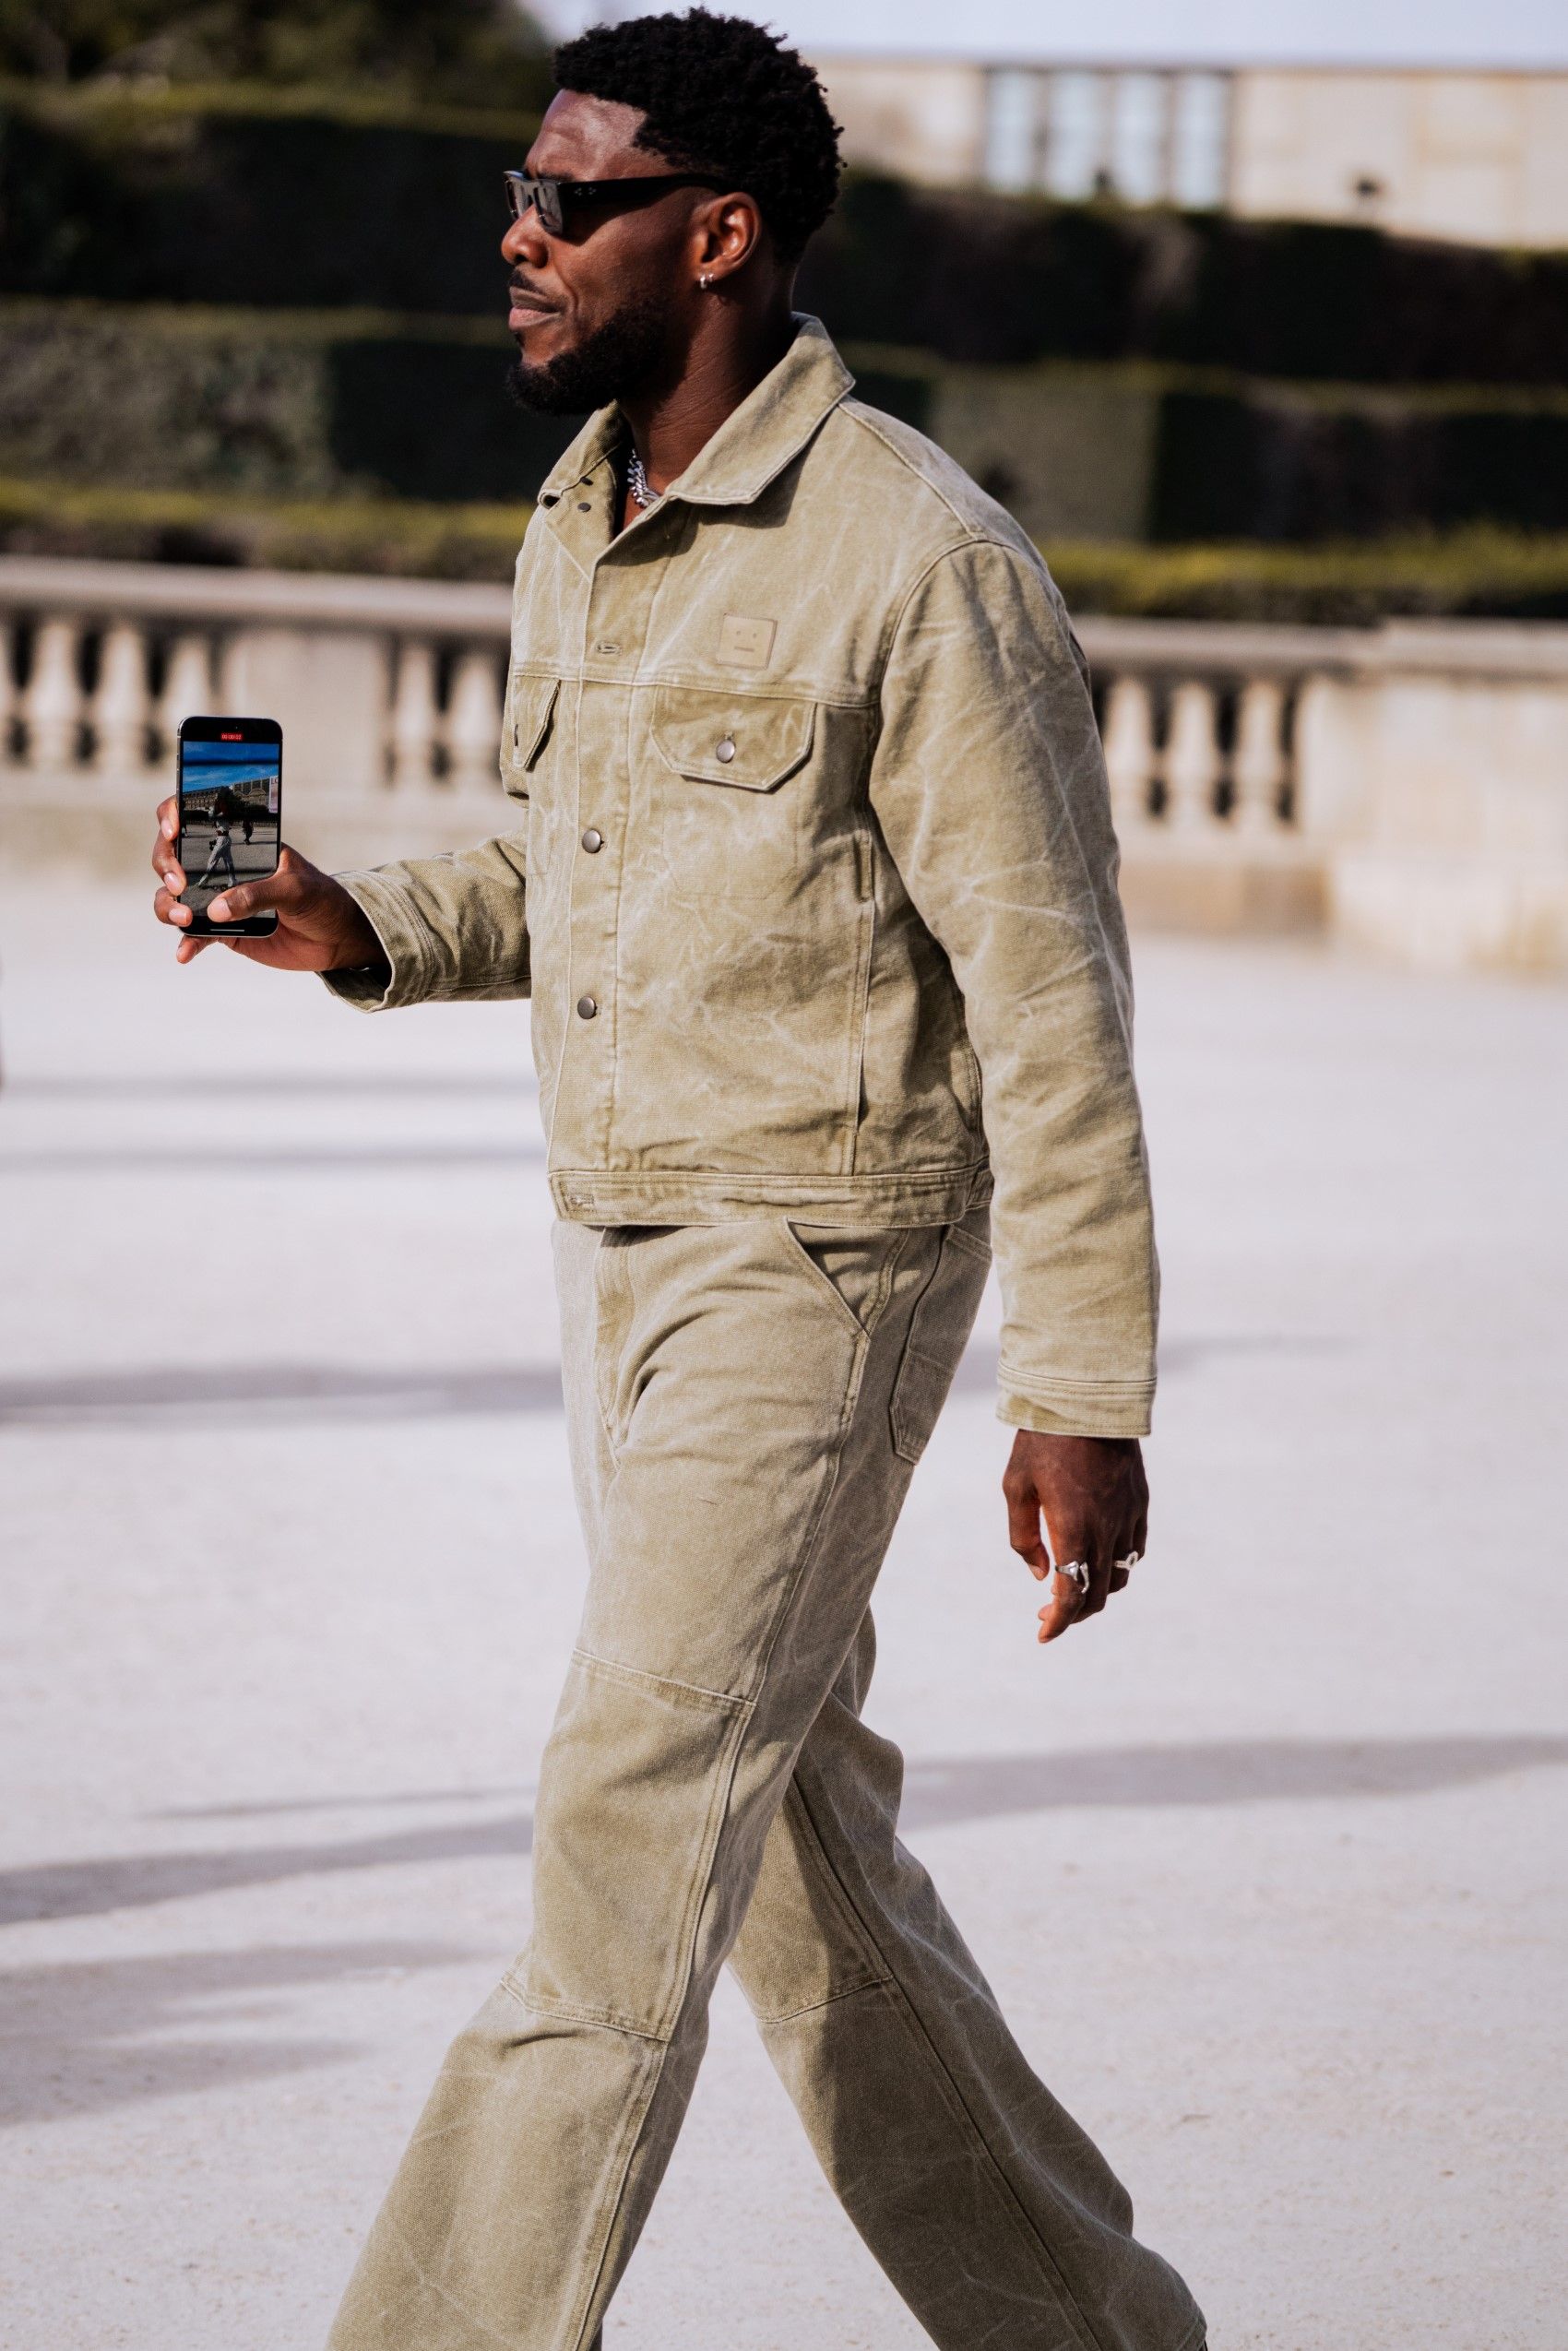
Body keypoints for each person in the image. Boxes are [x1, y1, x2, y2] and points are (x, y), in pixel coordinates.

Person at [153, 14, 1207, 2349]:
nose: (513, 239)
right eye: (514, 196)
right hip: (615, 1256)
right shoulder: (585, 516)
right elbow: (572, 869)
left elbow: (1049, 1005)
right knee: (798, 1865)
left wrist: (1082, 1386)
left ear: (716, 233)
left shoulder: (920, 564)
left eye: (566, 199)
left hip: (818, 1270)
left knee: (621, 1835)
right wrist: (353, 916)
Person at [194, 802, 236, 893]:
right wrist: (216, 840)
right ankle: (232, 881)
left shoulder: (221, 815)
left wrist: (210, 810)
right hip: (224, 838)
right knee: (228, 862)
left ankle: (202, 882)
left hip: (223, 840)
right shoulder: (224, 815)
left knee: (212, 860)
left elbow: (211, 818)